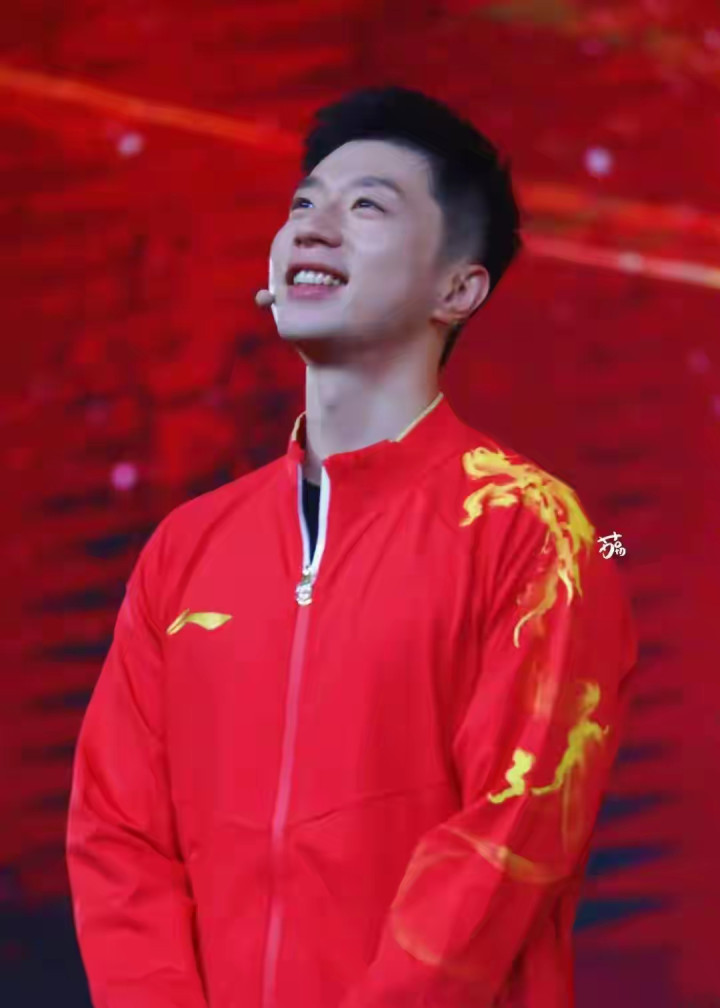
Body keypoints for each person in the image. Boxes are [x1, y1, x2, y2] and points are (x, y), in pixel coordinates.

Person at [66, 85, 638, 1008]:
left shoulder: (532, 533)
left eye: (366, 206)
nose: (314, 227)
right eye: (303, 204)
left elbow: (510, 835)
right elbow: (117, 831)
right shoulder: (187, 548)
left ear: (459, 289)